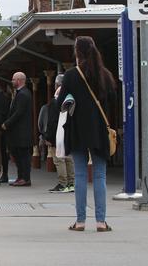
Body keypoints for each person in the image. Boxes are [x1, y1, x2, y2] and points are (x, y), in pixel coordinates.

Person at [57, 36, 116, 232]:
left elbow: (61, 105)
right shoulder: (105, 75)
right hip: (99, 130)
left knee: (80, 175)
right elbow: (113, 102)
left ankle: (80, 221)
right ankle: (101, 221)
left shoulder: (71, 76)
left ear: (77, 52)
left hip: (77, 130)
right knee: (99, 176)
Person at [2, 72, 33, 187]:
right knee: (18, 156)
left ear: (19, 80)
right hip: (18, 133)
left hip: (22, 133)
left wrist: (7, 123)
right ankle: (21, 177)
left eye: (13, 79)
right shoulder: (21, 93)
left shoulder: (23, 94)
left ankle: (25, 178)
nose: (12, 81)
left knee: (23, 157)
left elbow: (18, 113)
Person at [46, 74, 75, 193]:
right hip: (68, 134)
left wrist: (48, 137)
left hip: (57, 135)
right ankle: (71, 183)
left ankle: (62, 183)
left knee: (59, 159)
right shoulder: (70, 99)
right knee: (69, 158)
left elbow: (52, 121)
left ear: (57, 85)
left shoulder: (55, 101)